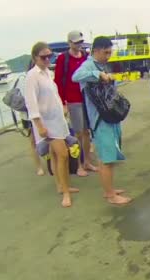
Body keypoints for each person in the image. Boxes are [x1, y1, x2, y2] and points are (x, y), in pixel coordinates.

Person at [73, 36, 131, 205]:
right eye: (106, 52)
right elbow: (75, 76)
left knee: (109, 156)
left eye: (110, 52)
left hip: (109, 116)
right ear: (96, 50)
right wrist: (97, 74)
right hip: (100, 119)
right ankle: (110, 195)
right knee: (107, 159)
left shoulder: (102, 64)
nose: (108, 55)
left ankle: (110, 190)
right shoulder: (89, 65)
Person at [24, 42, 77, 208]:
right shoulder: (32, 76)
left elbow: (54, 95)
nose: (47, 59)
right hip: (46, 123)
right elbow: (31, 103)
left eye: (49, 56)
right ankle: (66, 192)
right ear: (35, 58)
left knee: (56, 155)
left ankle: (61, 186)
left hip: (58, 120)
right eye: (43, 57)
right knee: (63, 154)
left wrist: (63, 106)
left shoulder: (48, 73)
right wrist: (39, 125)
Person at [54, 30, 96, 177]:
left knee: (86, 132)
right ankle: (78, 165)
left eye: (80, 42)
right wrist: (63, 102)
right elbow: (58, 82)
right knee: (78, 133)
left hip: (86, 98)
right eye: (76, 42)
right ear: (69, 43)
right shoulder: (63, 59)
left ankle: (87, 162)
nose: (79, 45)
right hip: (73, 100)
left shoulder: (85, 56)